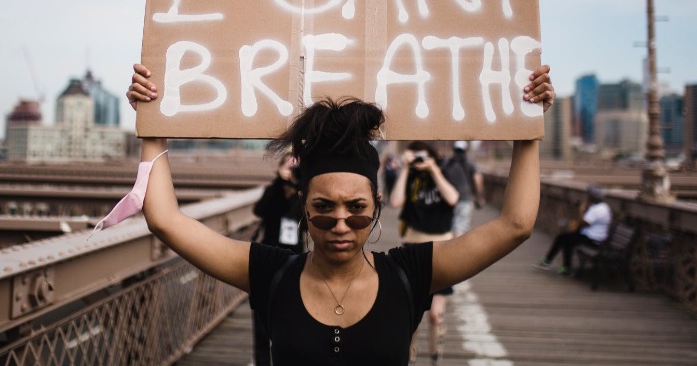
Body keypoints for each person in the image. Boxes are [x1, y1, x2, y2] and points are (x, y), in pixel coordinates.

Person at [126, 63, 554, 366]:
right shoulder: (270, 273)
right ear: (304, 210)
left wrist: (528, 128)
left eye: (357, 210)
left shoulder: (410, 274)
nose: (341, 225)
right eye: (323, 210)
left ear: (378, 207)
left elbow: (514, 225)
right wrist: (152, 121)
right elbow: (165, 220)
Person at [389, 140, 459, 365]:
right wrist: (406, 169)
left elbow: (452, 198)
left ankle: (435, 356)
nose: (418, 159)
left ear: (432, 155)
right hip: (414, 248)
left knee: (435, 314)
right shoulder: (409, 176)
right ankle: (410, 357)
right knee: (413, 316)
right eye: (414, 155)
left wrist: (434, 170)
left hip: (442, 249)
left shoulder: (446, 170)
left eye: (422, 155)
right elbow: (395, 201)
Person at [251, 153, 303, 366]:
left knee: (289, 313)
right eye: (287, 166)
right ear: (280, 167)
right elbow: (259, 210)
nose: (291, 170)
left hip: (294, 259)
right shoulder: (272, 191)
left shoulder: (304, 194)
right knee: (262, 314)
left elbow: (306, 220)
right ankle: (262, 361)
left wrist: (298, 188)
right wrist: (278, 184)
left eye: (296, 167)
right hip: (269, 256)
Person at [534, 185, 612, 275]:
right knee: (562, 237)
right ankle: (549, 261)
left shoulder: (598, 210)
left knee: (566, 240)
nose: (587, 198)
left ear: (593, 197)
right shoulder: (602, 207)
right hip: (589, 235)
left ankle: (563, 266)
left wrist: (581, 210)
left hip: (594, 239)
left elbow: (583, 223)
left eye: (589, 196)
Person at [444, 141, 485, 237]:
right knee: (461, 227)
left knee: (451, 226)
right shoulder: (470, 163)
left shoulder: (448, 164)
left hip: (449, 200)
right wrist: (480, 197)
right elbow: (478, 180)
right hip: (466, 199)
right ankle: (458, 250)